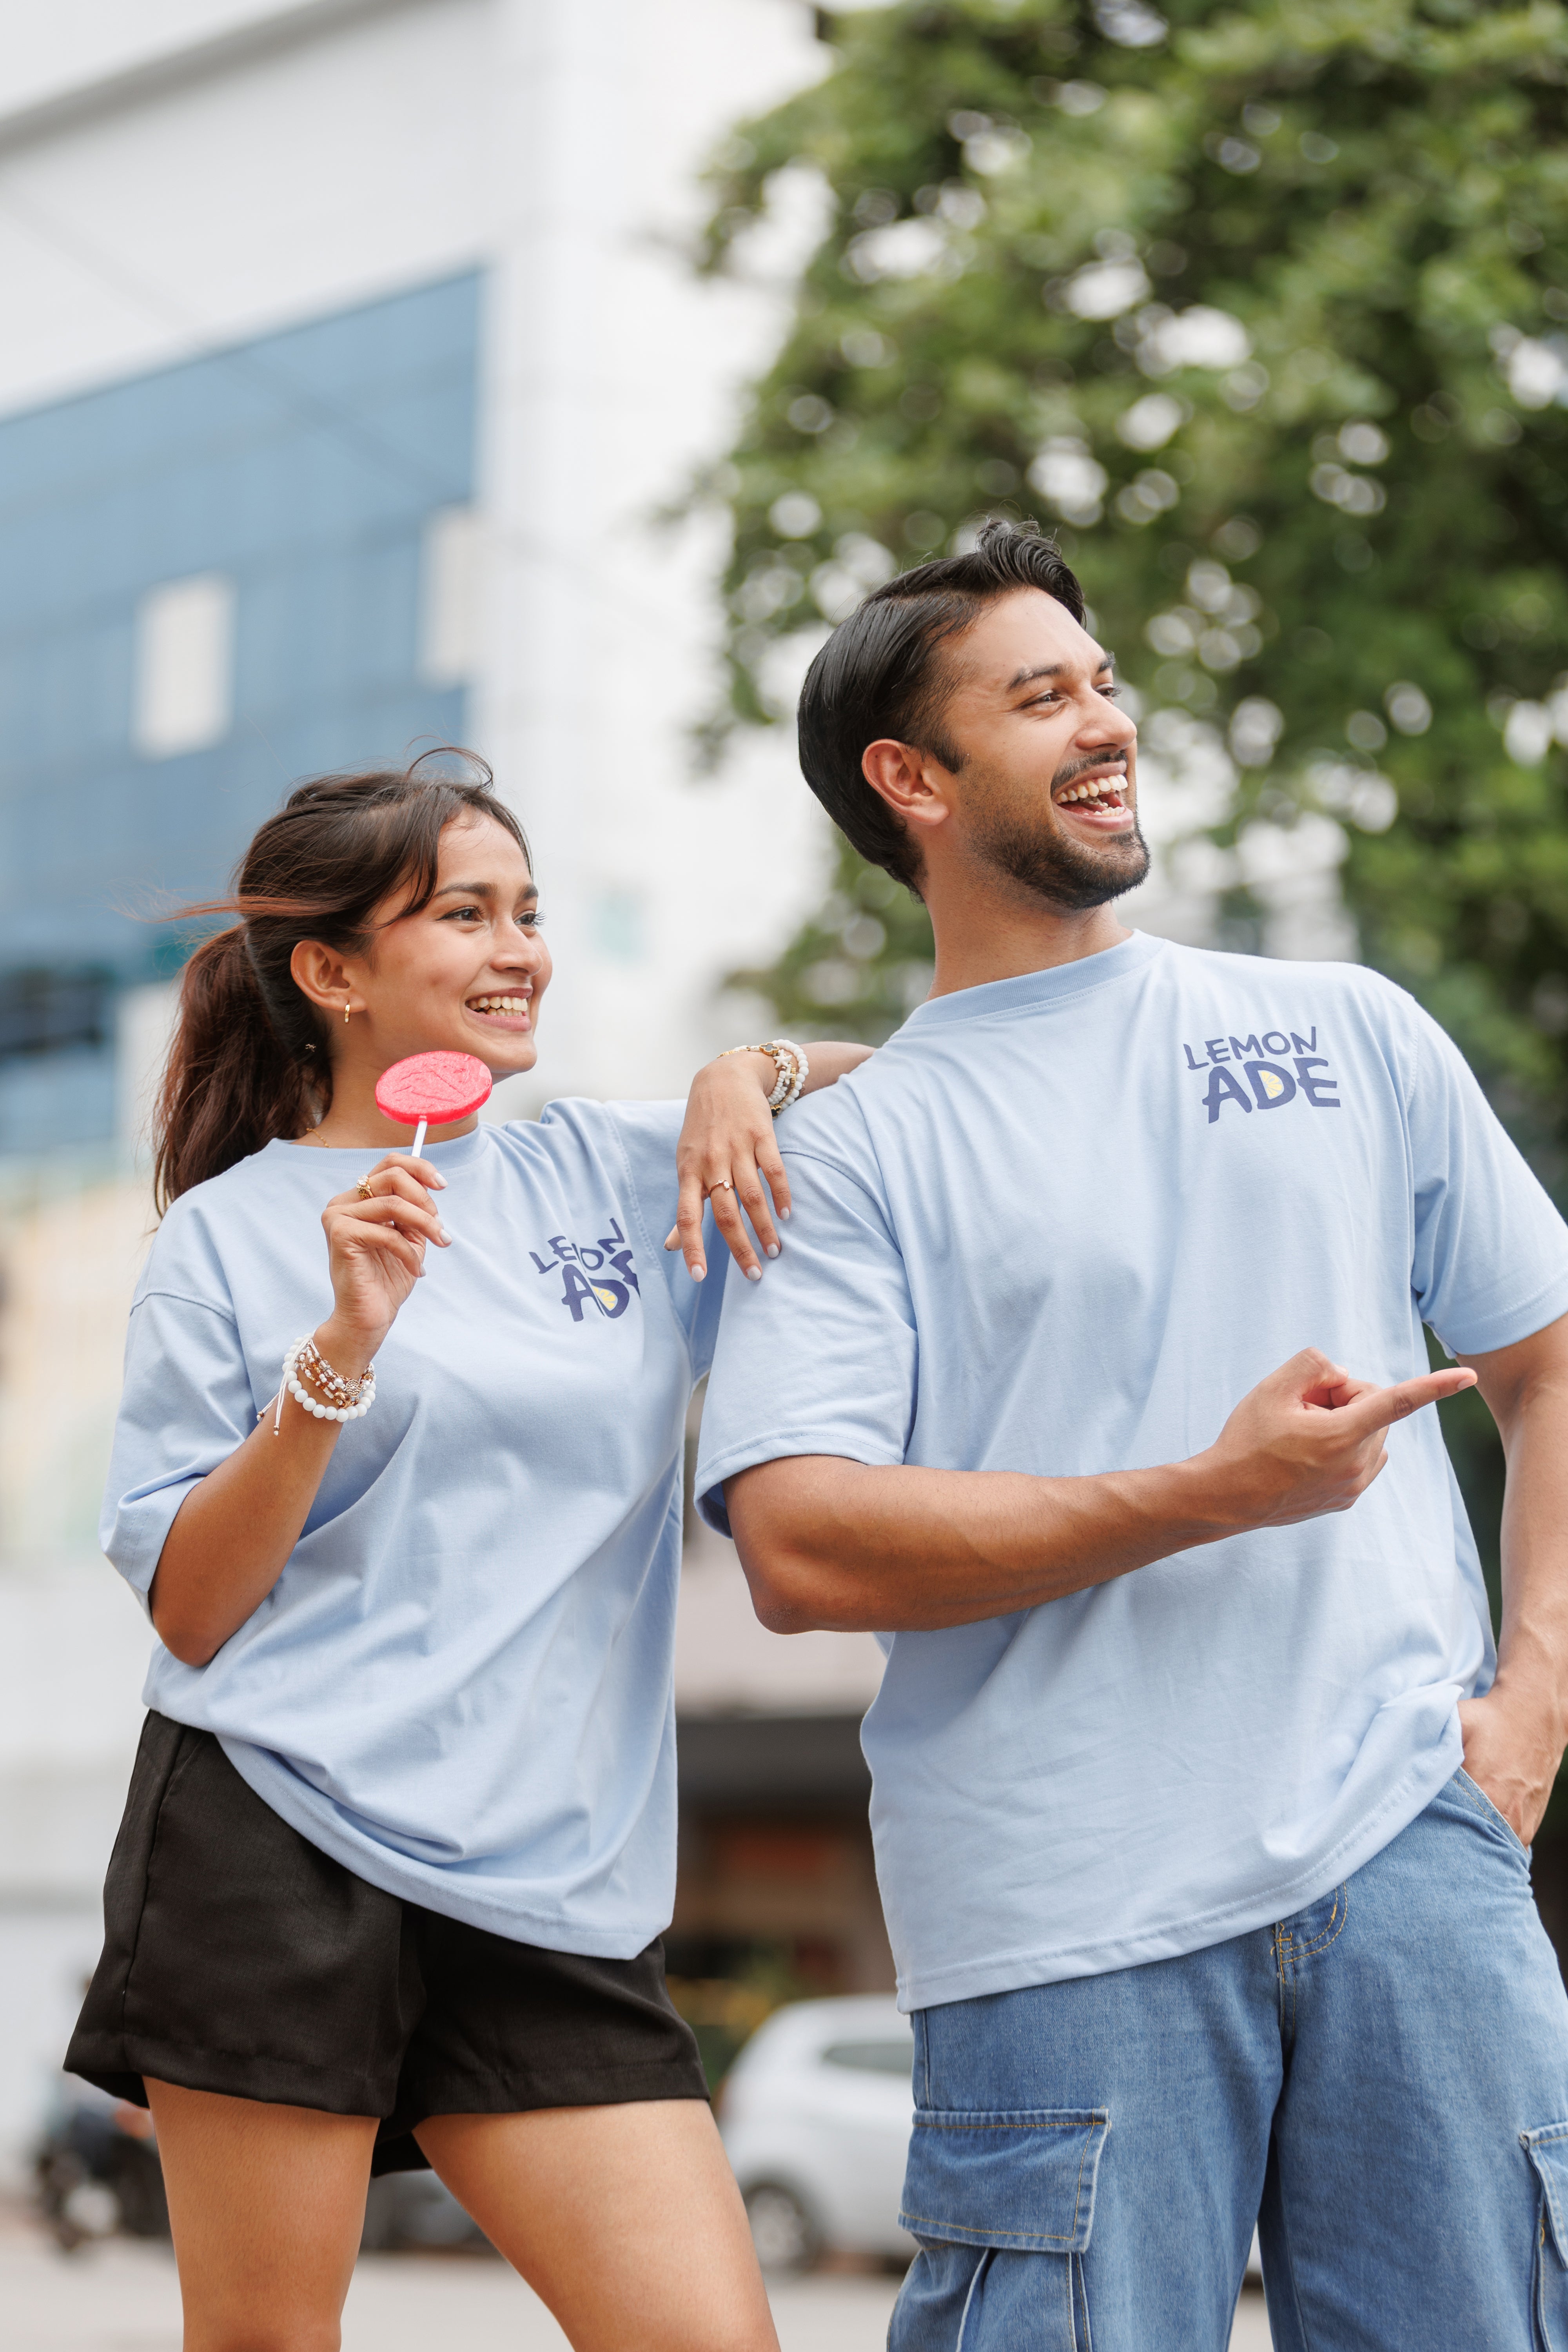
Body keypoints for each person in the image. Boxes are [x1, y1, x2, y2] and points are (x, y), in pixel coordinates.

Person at [692, 520, 1568, 2349]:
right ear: (907, 780)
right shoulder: (847, 1149)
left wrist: (1530, 1706)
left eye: (1101, 683)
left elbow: (1546, 1357)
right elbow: (799, 1544)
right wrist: (1211, 1495)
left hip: (1417, 1842)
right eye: (1040, 699)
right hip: (1061, 1914)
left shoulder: (1345, 1029)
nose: (1106, 722)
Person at [66, 753, 872, 2352]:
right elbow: (195, 1608)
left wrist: (749, 1069)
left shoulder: (608, 1168)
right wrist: (337, 1353)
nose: (522, 951)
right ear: (332, 971)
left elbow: (927, 1094)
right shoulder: (227, 1240)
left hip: (550, 1887)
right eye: (465, 916)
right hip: (279, 1843)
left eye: (529, 912)